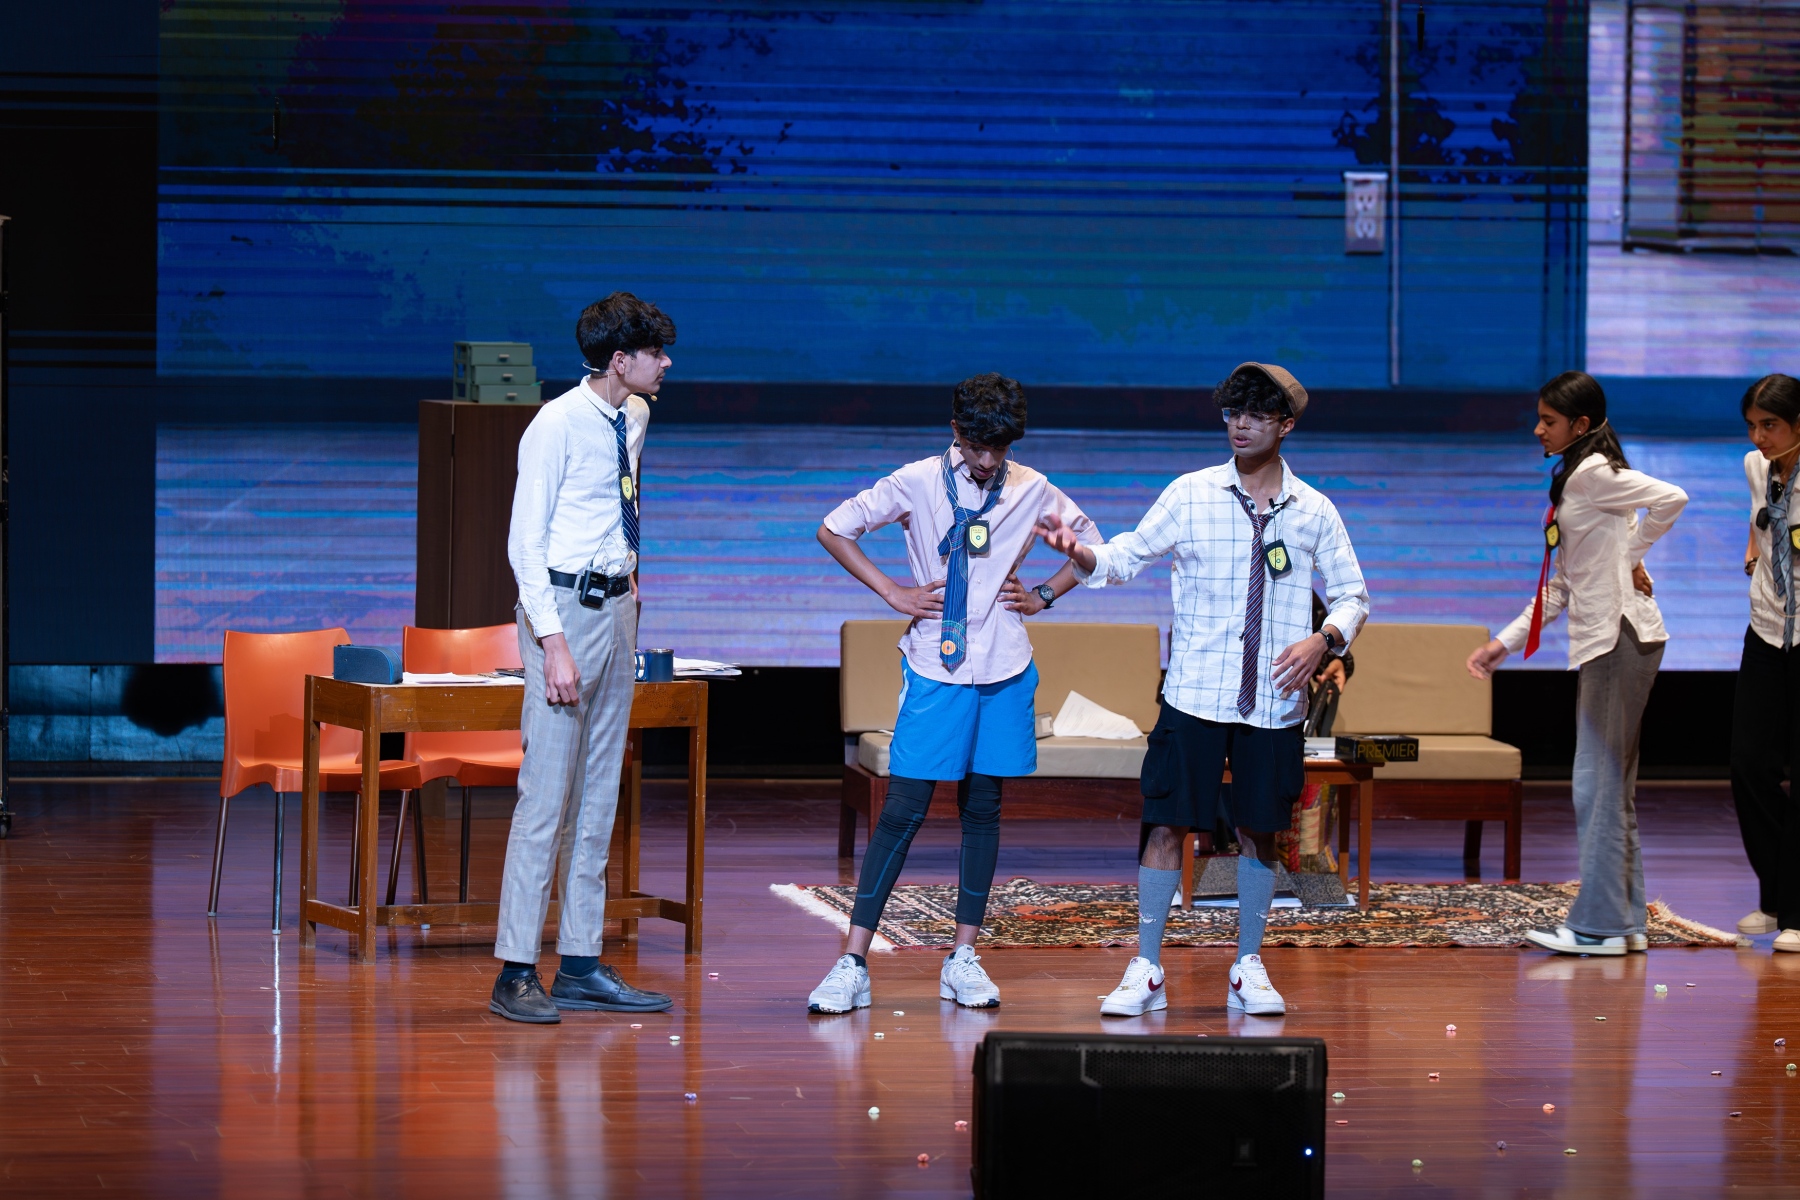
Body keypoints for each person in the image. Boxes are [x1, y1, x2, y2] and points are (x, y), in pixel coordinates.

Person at [1038, 362, 1369, 1018]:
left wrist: (1323, 640)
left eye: (1256, 415)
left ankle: (1248, 966)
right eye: (1231, 413)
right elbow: (1126, 556)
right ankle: (1146, 967)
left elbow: (1353, 595)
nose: (1240, 426)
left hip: (1272, 701)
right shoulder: (1190, 494)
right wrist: (1081, 553)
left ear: (1286, 425)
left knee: (1260, 831)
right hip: (1193, 695)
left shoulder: (1314, 510)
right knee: (1166, 825)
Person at [806, 373, 1101, 1014]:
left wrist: (1045, 594)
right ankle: (852, 961)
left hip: (1005, 667)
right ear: (955, 432)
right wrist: (893, 592)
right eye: (977, 446)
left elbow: (1090, 549)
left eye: (1001, 447)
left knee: (983, 811)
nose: (988, 460)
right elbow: (834, 529)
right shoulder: (915, 482)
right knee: (902, 811)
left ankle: (962, 957)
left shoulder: (1031, 490)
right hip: (936, 668)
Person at [488, 292, 678, 1023]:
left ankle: (580, 961)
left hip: (616, 610)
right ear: (619, 359)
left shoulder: (636, 416)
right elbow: (525, 545)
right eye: (655, 352)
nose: (666, 363)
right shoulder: (555, 424)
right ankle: (515, 969)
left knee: (601, 795)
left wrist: (629, 575)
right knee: (546, 798)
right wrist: (553, 642)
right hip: (562, 614)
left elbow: (617, 502)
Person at [1467, 370, 1687, 957]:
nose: (1538, 429)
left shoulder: (1593, 474)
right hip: (1611, 640)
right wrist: (1504, 643)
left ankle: (1599, 926)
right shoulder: (1580, 477)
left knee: (1597, 786)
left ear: (1580, 425)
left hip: (1618, 639)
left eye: (1549, 421)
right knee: (1610, 786)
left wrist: (1631, 555)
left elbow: (1672, 498)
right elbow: (1561, 585)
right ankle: (1626, 922)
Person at [1729, 374, 1800, 949]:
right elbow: (1760, 517)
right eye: (1753, 426)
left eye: (1770, 425)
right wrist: (1754, 554)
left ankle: (1796, 910)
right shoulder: (1758, 467)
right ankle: (1776, 897)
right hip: (1766, 630)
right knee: (1749, 765)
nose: (1759, 437)